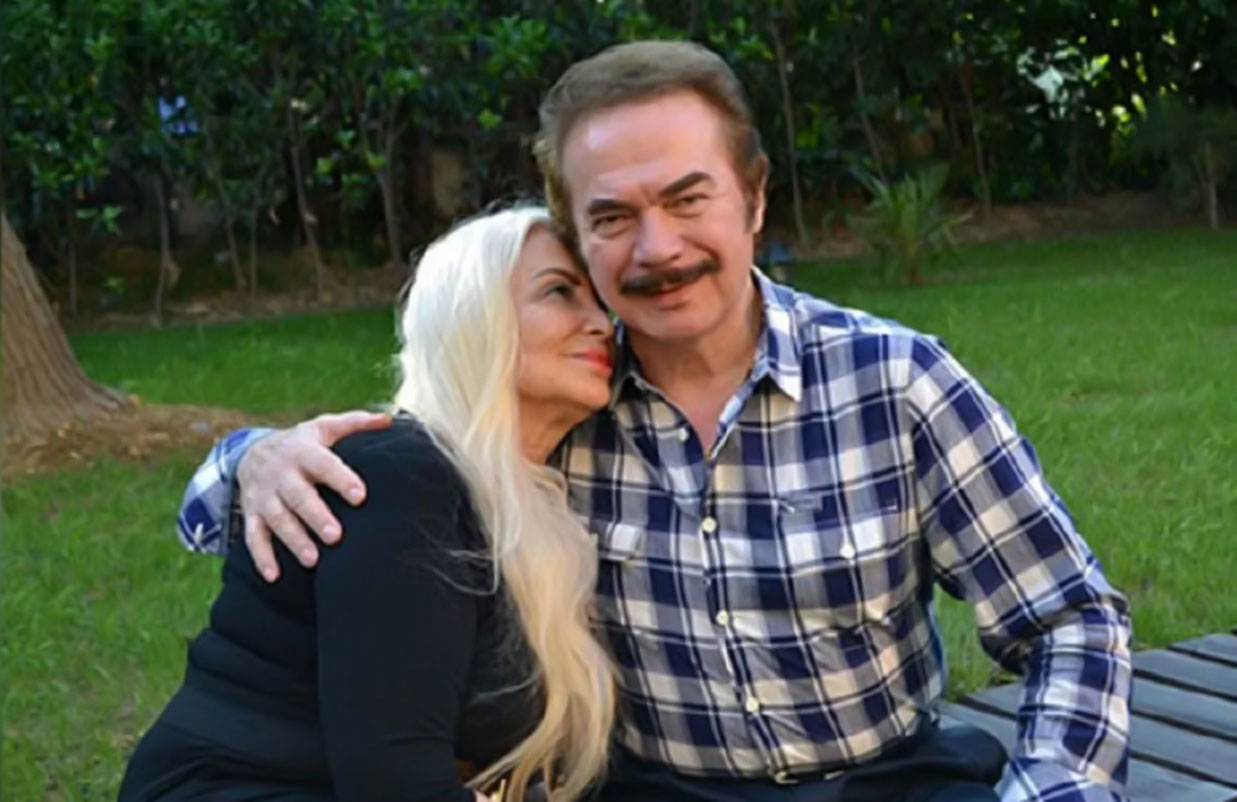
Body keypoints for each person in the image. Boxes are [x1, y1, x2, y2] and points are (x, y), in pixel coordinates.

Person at [176, 41, 1132, 802]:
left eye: (686, 199)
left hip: (882, 781)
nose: (657, 248)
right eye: (612, 218)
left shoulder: (895, 382)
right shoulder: (554, 408)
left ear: (753, 197)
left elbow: (1069, 618)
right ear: (580, 237)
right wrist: (253, 460)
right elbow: (394, 462)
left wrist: (1056, 789)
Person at [121, 207, 618, 801]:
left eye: (601, 302)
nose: (602, 324)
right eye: (559, 291)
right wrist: (249, 455)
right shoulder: (401, 478)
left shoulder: (531, 496)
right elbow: (393, 782)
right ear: (474, 316)